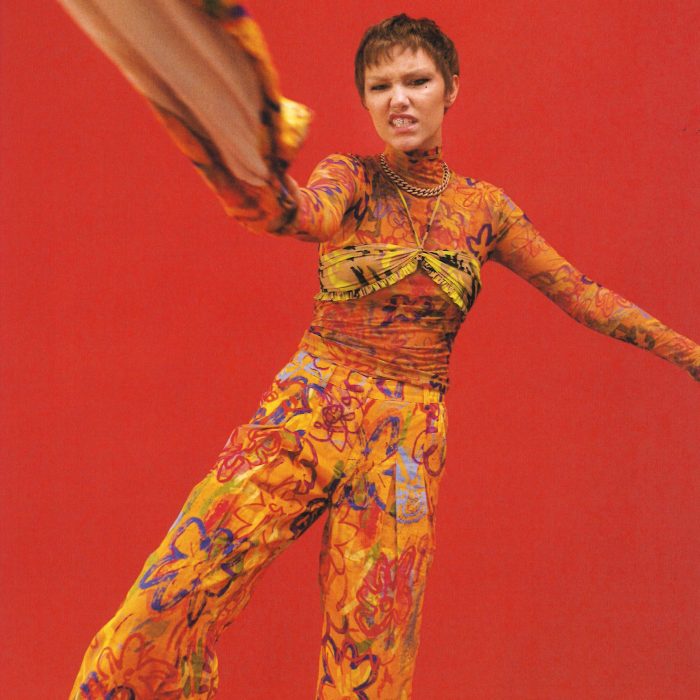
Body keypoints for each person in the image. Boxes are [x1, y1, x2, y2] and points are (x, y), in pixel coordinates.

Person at [62, 3, 700, 699]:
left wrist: (692, 356)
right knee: (168, 598)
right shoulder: (353, 177)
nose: (399, 99)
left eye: (417, 81)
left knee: (371, 661)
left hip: (405, 445)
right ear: (364, 99)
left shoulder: (485, 211)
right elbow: (307, 215)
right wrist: (251, 175)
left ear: (451, 89)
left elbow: (583, 296)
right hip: (306, 413)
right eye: (380, 86)